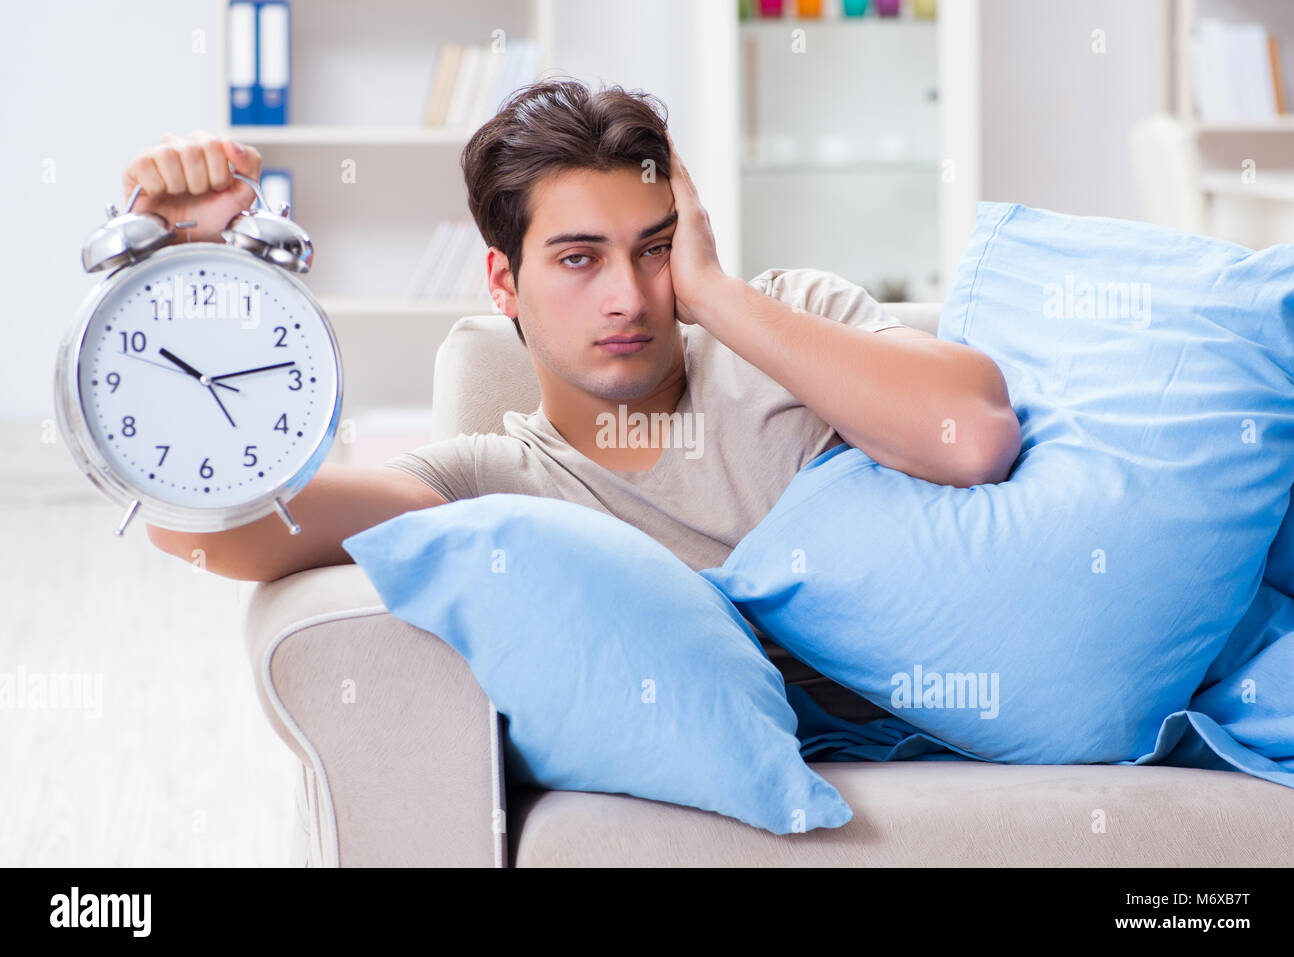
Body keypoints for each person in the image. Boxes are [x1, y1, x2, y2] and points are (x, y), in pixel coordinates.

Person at [142, 78, 1020, 722]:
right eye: (578, 258)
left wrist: (713, 293)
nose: (629, 298)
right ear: (503, 283)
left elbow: (975, 436)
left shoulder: (790, 317)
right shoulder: (493, 481)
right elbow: (200, 529)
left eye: (653, 250)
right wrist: (180, 279)